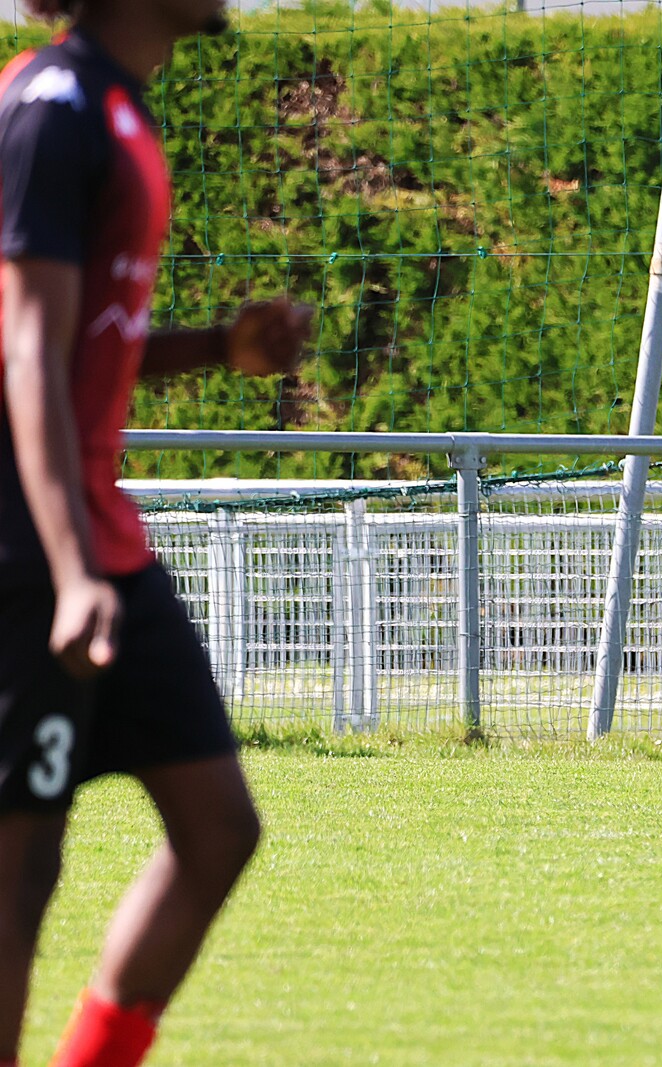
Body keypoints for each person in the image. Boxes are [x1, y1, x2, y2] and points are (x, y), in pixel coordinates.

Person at [0, 0, 313, 1060]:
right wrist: (66, 567)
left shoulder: (118, 108)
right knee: (17, 878)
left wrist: (220, 348)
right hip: (31, 544)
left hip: (100, 539)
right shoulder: (51, 106)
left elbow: (89, 335)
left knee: (219, 828)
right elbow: (26, 350)